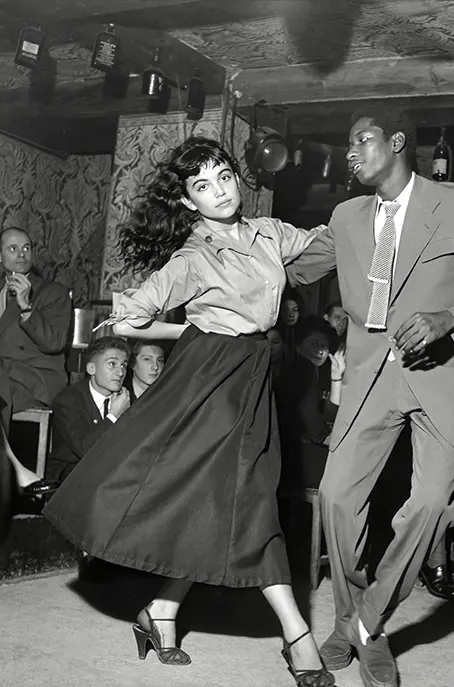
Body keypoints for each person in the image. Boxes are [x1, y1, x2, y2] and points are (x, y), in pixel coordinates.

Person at [43, 136, 334, 687]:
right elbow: (128, 319)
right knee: (246, 503)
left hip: (252, 376)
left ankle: (162, 611)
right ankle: (298, 635)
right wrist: (197, 330)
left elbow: (326, 247)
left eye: (223, 176)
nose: (219, 191)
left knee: (218, 502)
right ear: (187, 202)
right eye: (202, 186)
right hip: (209, 378)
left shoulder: (269, 233)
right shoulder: (193, 257)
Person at [286, 105, 454, 687]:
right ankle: (355, 620)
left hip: (442, 376)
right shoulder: (345, 216)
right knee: (337, 500)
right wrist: (229, 242)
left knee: (428, 505)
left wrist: (451, 318)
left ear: (397, 143)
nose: (350, 152)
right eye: (347, 145)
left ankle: (366, 622)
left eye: (360, 140)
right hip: (370, 380)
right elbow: (292, 268)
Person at [0, 227, 71, 494]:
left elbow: (54, 343)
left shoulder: (52, 293)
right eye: (12, 248)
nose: (21, 254)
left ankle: (15, 471)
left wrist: (26, 306)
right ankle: (16, 470)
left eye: (27, 248)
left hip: (35, 378)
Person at [46, 337, 131, 484]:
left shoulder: (127, 399)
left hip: (110, 474)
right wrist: (113, 416)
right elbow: (85, 450)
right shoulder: (68, 400)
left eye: (123, 365)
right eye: (112, 364)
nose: (120, 372)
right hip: (69, 477)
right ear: (91, 369)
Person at [278, 316, 346, 489]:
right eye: (314, 344)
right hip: (295, 458)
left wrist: (336, 377)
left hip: (295, 454)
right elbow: (313, 431)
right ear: (299, 345)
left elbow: (328, 413)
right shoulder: (301, 373)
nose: (321, 351)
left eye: (324, 345)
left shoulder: (309, 370)